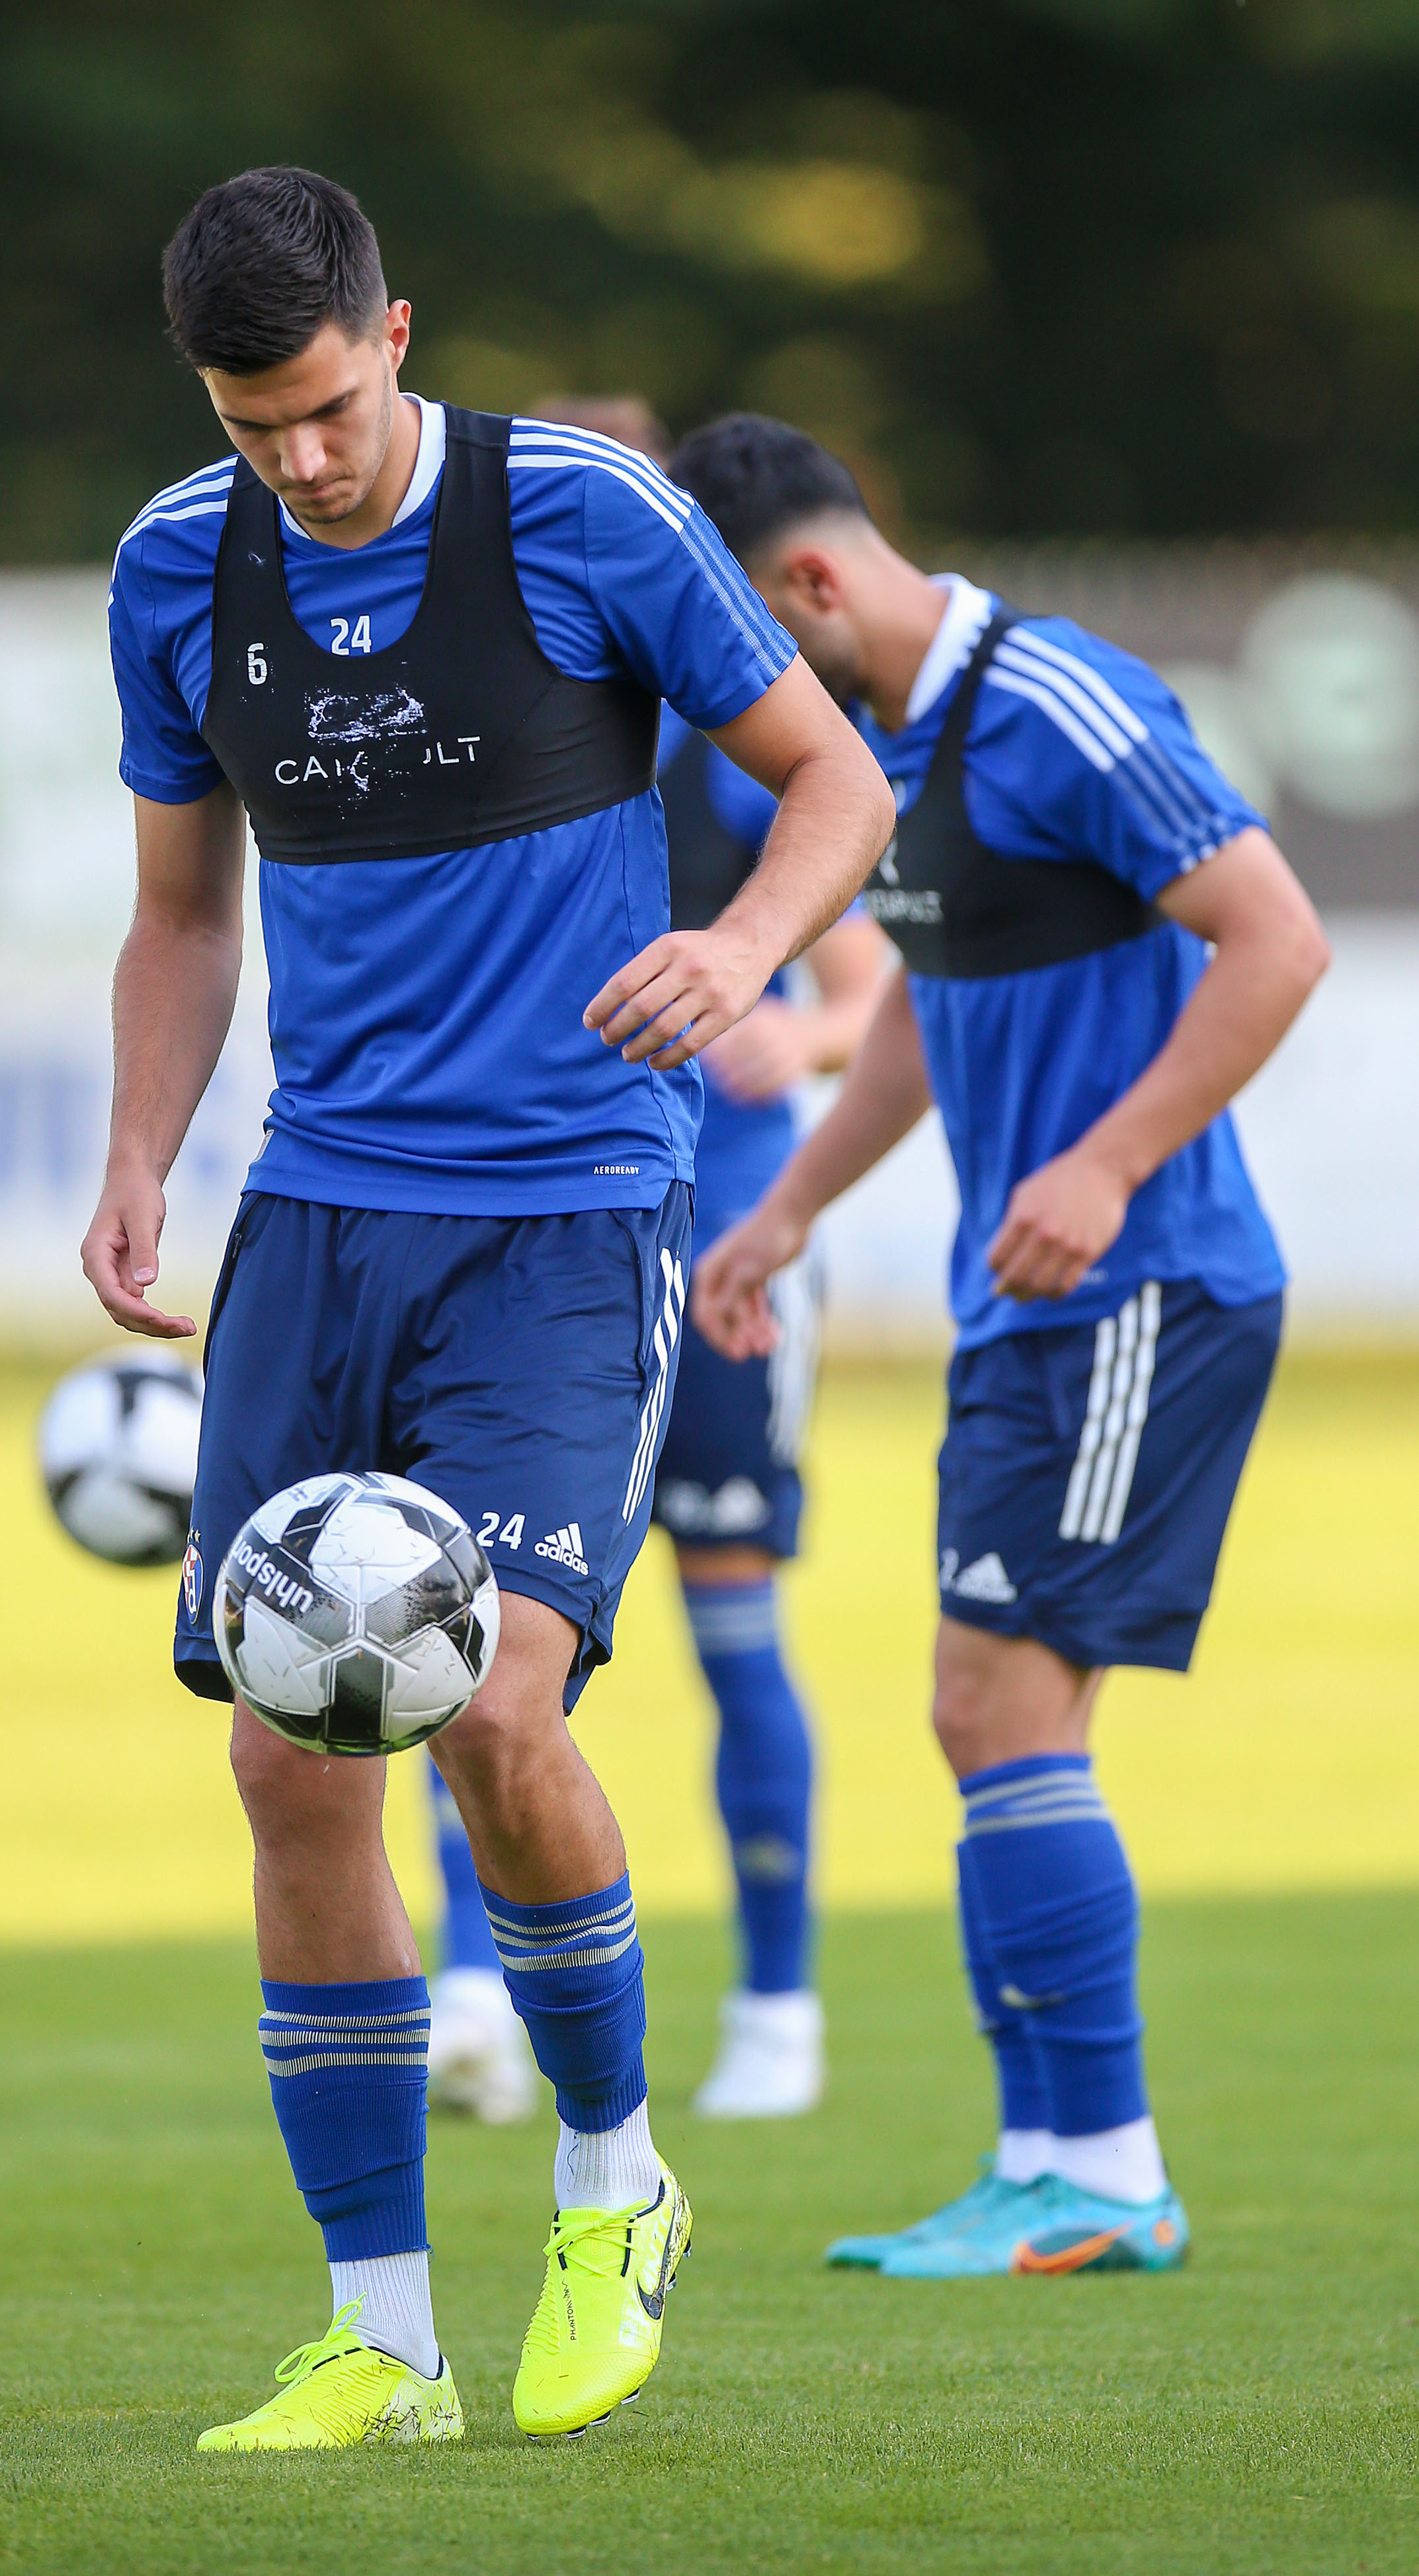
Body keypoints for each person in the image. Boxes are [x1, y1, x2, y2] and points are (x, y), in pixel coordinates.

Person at [85, 181, 893, 2448]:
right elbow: (182, 913)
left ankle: (614, 2185)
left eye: (325, 410)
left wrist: (740, 952)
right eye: (249, 426)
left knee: (492, 1709)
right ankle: (382, 2339)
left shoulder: (584, 513)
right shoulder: (178, 565)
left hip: (562, 1216)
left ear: (396, 337)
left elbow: (833, 781)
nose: (297, 462)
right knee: (283, 1756)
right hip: (314, 1219)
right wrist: (142, 1151)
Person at [680, 415, 1328, 2277]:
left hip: (1144, 1287)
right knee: (989, 1717)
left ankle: (1103, 2169)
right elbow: (915, 1007)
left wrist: (1110, 1166)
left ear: (811, 583)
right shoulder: (879, 748)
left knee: (996, 1708)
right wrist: (791, 1209)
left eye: (736, 642)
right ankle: (1049, 2160)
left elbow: (1276, 940)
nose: (727, 694)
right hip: (1030, 1302)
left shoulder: (1057, 699)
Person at [424, 395, 889, 2124]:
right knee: (458, 1626)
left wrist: (795, 1027)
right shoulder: (478, 725)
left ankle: (777, 2008)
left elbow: (867, 994)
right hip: (532, 1232)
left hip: (720, 1246)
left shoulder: (739, 733)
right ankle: (471, 2000)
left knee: (732, 1629)